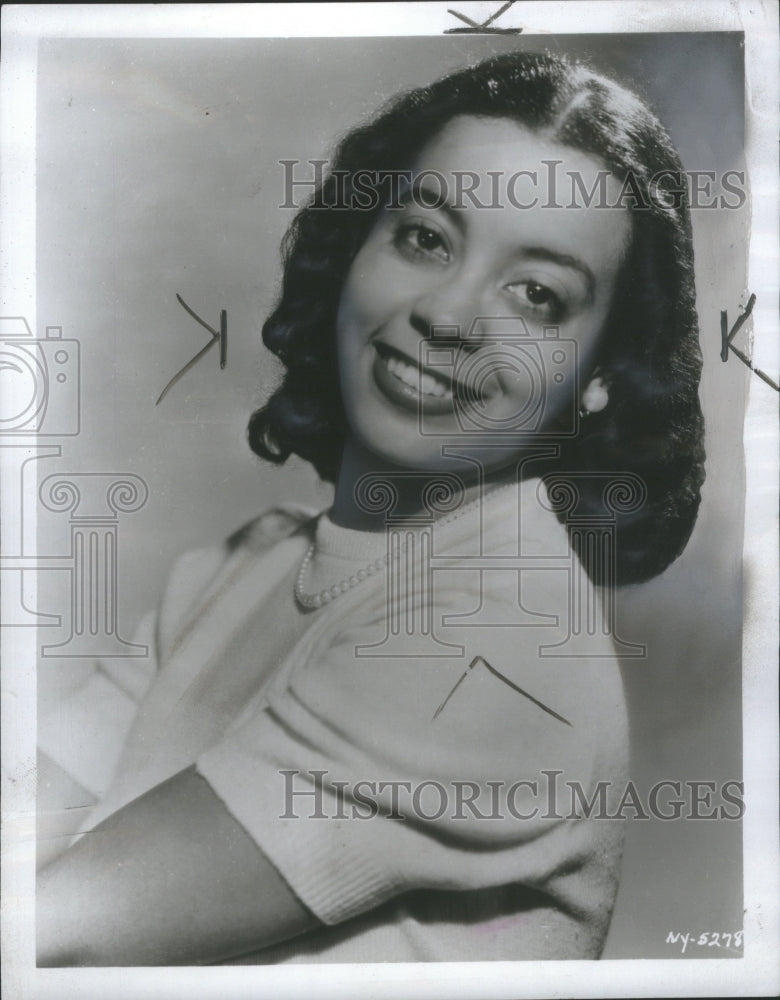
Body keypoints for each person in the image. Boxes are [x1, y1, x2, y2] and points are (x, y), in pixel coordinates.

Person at [37, 50, 704, 966]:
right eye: (427, 237)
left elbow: (53, 934)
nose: (451, 316)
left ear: (599, 378)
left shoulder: (493, 646)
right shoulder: (249, 563)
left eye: (537, 295)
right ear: (358, 245)